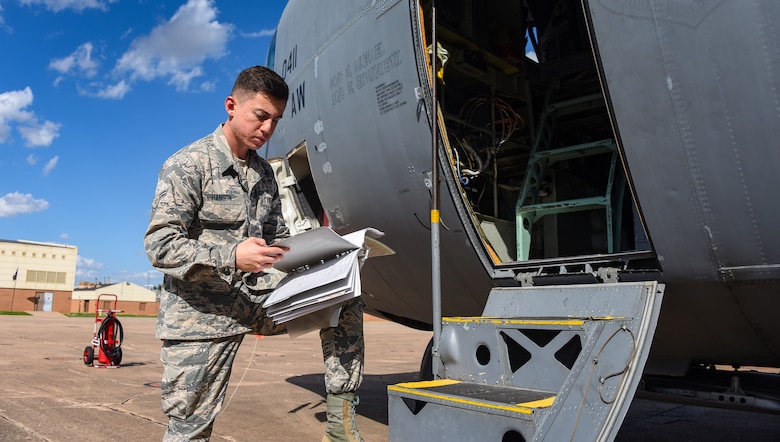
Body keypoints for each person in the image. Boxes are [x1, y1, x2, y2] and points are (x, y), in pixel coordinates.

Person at [144, 65, 365, 442]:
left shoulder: (264, 173)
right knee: (190, 426)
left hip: (256, 300)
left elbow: (276, 238)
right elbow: (160, 245)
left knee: (344, 298)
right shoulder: (188, 164)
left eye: (275, 121)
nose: (267, 129)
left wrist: (323, 257)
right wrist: (231, 256)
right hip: (202, 314)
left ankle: (340, 425)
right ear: (231, 106)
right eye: (260, 116)